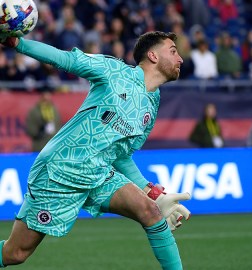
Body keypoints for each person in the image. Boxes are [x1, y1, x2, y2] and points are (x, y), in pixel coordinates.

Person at [0, 31, 191, 270]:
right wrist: (19, 44)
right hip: (62, 168)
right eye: (173, 51)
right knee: (15, 253)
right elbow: (65, 60)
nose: (180, 58)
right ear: (152, 55)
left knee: (150, 211)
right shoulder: (114, 71)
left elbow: (121, 155)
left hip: (98, 173)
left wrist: (152, 193)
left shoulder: (152, 104)